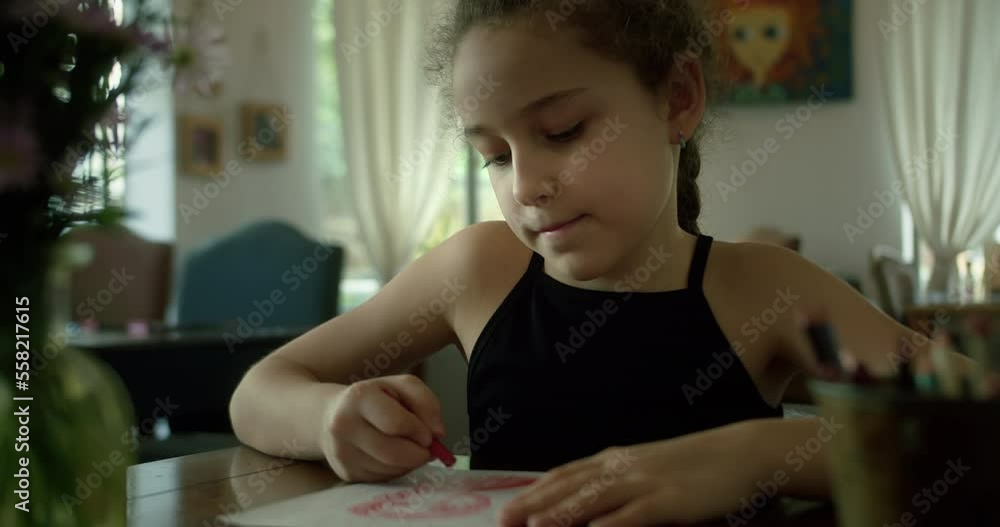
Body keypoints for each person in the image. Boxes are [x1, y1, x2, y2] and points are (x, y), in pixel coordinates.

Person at [229, 1, 973, 525]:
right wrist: (330, 418)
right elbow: (259, 391)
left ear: (678, 98)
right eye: (492, 154)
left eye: (562, 129)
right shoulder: (478, 270)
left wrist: (758, 454)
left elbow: (970, 423)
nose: (523, 185)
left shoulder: (761, 285)